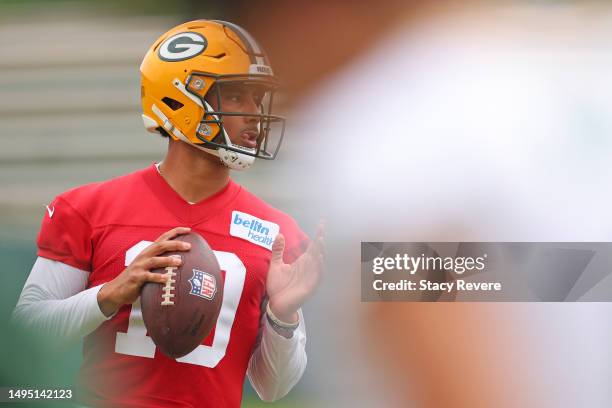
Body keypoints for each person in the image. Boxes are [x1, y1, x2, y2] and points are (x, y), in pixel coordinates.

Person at [12, 19, 324, 408]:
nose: (255, 117)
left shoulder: (278, 233)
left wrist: (282, 314)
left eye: (258, 100)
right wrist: (110, 295)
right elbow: (29, 333)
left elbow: (272, 387)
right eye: (238, 97)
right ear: (181, 100)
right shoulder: (89, 208)